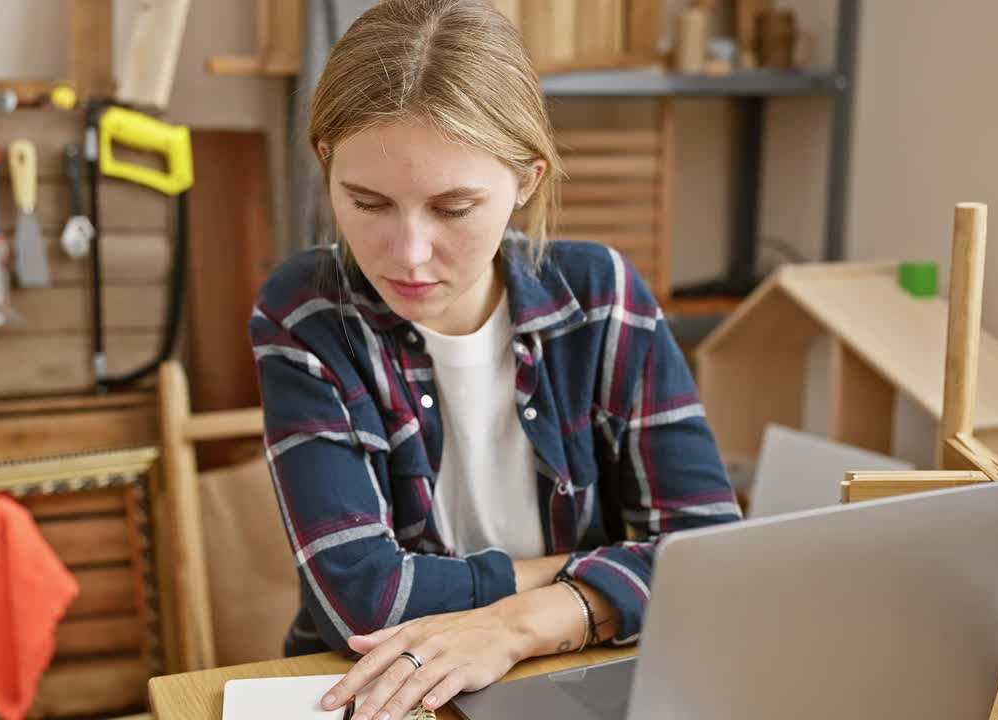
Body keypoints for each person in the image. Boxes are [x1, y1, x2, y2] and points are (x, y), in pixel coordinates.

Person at [249, 1, 741, 718]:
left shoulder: (601, 296)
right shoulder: (305, 312)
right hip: (382, 690)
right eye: (368, 202)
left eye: (452, 208)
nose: (409, 253)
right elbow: (365, 600)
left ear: (526, 181)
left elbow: (711, 560)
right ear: (326, 162)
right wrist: (587, 586)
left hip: (577, 672)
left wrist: (517, 627)